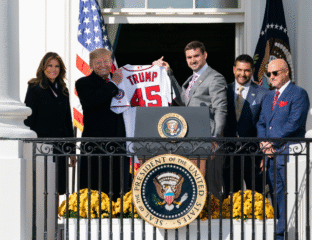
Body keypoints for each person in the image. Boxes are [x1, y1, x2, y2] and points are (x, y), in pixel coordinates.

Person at [153, 41, 227, 200]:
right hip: (192, 141)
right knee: (195, 184)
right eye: (189, 57)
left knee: (211, 185)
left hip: (209, 141)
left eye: (196, 56)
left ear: (205, 55)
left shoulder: (215, 78)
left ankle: (215, 222)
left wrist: (215, 137)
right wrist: (168, 73)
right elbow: (183, 101)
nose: (192, 60)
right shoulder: (192, 79)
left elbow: (221, 109)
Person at [257, 58, 310, 240]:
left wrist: (272, 142)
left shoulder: (298, 94)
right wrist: (264, 144)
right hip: (271, 156)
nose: (271, 77)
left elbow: (294, 123)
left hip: (288, 155)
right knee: (276, 196)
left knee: (290, 197)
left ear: (286, 72)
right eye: (269, 74)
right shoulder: (268, 97)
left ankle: (288, 234)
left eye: (275, 73)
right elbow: (261, 123)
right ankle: (280, 232)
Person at [75, 48, 129, 201]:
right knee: (95, 187)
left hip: (118, 143)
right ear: (91, 65)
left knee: (119, 187)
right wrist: (113, 84)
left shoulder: (122, 80)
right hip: (95, 144)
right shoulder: (83, 83)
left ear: (111, 62)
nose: (103, 65)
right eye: (98, 62)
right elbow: (94, 101)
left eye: (106, 61)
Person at [24, 52, 75, 195]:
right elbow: (29, 118)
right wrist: (29, 144)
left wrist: (71, 150)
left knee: (59, 186)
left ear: (61, 69)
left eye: (57, 66)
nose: (53, 69)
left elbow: (67, 120)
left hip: (61, 144)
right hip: (42, 144)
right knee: (43, 185)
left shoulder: (63, 89)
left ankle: (54, 216)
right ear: (43, 67)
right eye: (50, 65)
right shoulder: (34, 87)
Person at [223, 54, 269, 197]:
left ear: (252, 71)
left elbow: (266, 124)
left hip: (253, 153)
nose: (243, 74)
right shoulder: (224, 91)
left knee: (257, 197)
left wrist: (265, 155)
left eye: (247, 70)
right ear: (234, 69)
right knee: (230, 198)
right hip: (229, 152)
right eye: (240, 70)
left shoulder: (263, 93)